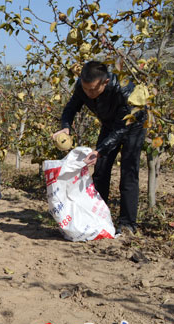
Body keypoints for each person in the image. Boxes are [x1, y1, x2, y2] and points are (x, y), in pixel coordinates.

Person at [52, 60, 145, 235]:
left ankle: (127, 224)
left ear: (106, 82)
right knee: (101, 171)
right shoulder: (83, 86)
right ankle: (98, 216)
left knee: (128, 173)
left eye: (94, 89)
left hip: (133, 125)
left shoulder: (124, 91)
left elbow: (121, 129)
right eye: (86, 89)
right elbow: (71, 107)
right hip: (110, 124)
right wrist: (65, 126)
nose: (89, 93)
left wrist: (100, 150)